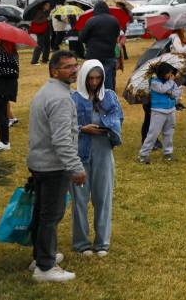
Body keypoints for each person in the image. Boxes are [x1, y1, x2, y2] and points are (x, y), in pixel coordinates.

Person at [27, 50, 87, 283]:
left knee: (42, 213)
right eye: (68, 67)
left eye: (75, 65)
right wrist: (76, 167)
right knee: (50, 216)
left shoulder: (48, 91)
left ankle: (41, 255)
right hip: (52, 167)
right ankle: (45, 267)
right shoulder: (60, 98)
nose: (74, 70)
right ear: (54, 70)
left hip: (39, 163)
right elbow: (61, 140)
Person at [70, 60, 123, 257]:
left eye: (98, 78)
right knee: (79, 200)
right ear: (83, 77)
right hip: (80, 153)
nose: (94, 82)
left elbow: (119, 118)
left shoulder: (109, 96)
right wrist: (82, 129)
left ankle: (102, 243)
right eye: (90, 78)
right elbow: (65, 125)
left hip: (103, 151)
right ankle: (81, 243)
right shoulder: (73, 98)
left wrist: (109, 126)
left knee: (103, 198)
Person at [138, 62, 181, 163]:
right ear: (162, 73)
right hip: (158, 111)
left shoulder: (171, 82)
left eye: (171, 73)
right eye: (168, 73)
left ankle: (168, 153)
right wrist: (170, 85)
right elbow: (162, 89)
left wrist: (172, 93)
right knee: (153, 133)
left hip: (171, 110)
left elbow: (177, 92)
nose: (171, 75)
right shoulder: (154, 82)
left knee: (169, 133)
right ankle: (143, 155)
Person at [78, 1, 121, 90]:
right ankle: (109, 96)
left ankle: (95, 95)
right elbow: (117, 36)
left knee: (94, 78)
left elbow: (82, 38)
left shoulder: (91, 20)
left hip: (93, 54)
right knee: (109, 78)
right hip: (109, 53)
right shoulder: (115, 20)